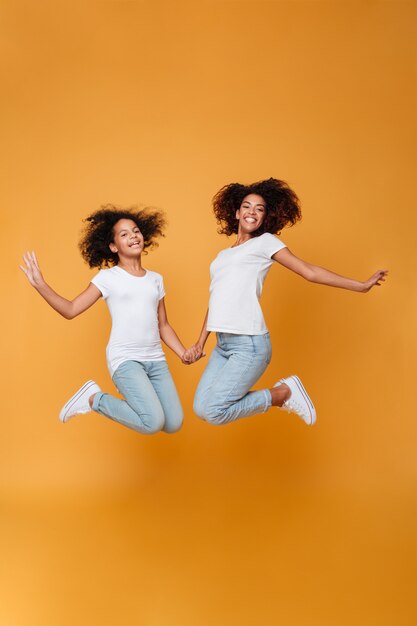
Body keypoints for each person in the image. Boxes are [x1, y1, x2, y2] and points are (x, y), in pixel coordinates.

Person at [187, 178, 388, 426]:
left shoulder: (265, 242)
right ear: (237, 213)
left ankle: (283, 393)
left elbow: (309, 271)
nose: (252, 212)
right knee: (201, 408)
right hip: (223, 344)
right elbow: (216, 299)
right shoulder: (223, 256)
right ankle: (280, 394)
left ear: (265, 217)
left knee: (215, 411)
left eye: (259, 209)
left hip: (248, 345)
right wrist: (199, 342)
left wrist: (360, 285)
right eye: (247, 206)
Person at [20, 205, 199, 434]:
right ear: (113, 247)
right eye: (124, 234)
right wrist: (41, 285)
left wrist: (183, 353)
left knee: (173, 423)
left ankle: (101, 400)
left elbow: (163, 325)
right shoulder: (108, 278)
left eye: (135, 231)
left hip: (156, 360)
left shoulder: (156, 279)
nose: (133, 236)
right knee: (153, 422)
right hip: (125, 359)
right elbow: (71, 309)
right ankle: (94, 399)